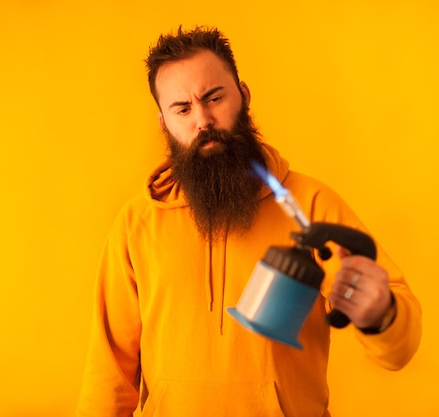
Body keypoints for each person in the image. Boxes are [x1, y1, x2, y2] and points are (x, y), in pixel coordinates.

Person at [77, 26, 421, 417]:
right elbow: (109, 372)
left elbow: (400, 343)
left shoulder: (310, 203)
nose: (203, 120)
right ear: (163, 123)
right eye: (183, 108)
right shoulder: (136, 223)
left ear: (243, 95)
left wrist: (382, 313)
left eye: (214, 98)